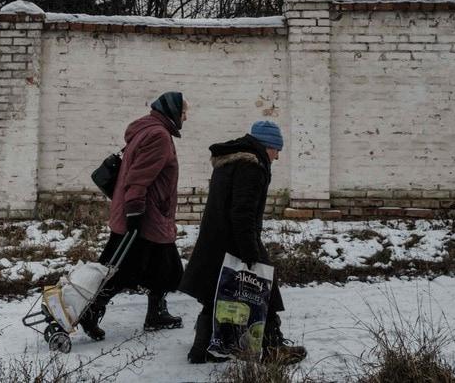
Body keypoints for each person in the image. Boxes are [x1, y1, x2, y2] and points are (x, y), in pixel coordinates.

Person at [178, 120, 307, 365]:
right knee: (264, 289)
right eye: (276, 149)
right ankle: (272, 348)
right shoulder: (252, 166)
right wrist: (251, 252)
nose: (277, 156)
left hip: (216, 240)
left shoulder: (230, 161)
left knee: (215, 293)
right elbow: (242, 213)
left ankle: (201, 348)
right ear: (266, 146)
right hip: (237, 239)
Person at [79, 91, 188, 339]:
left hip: (150, 215)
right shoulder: (158, 135)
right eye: (183, 113)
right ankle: (90, 310)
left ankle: (156, 314)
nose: (185, 117)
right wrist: (136, 213)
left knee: (166, 267)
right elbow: (138, 179)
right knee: (122, 270)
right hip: (144, 217)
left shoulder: (146, 129)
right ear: (172, 111)